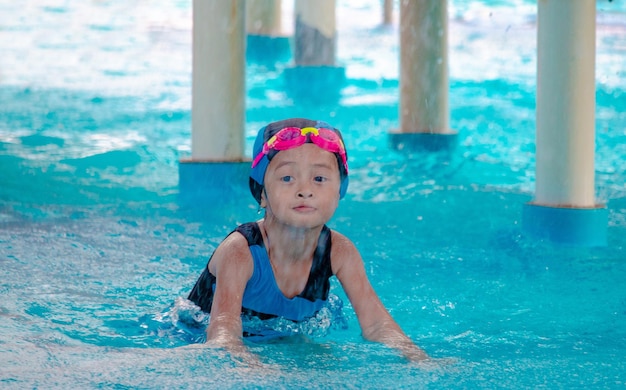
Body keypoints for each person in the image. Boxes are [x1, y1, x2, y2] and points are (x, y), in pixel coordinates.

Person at [187, 118, 428, 361]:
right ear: (262, 193)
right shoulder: (241, 251)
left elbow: (376, 324)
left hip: (280, 340)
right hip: (190, 337)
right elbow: (222, 332)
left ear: (339, 192)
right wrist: (252, 368)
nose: (305, 190)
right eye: (287, 178)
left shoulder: (339, 251)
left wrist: (418, 358)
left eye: (319, 179)